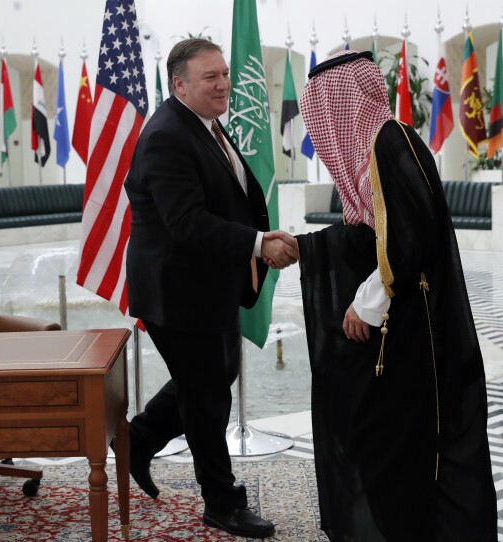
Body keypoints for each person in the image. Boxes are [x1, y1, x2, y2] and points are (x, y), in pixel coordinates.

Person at [296, 50, 497, 541]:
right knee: (382, 437)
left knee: (401, 441)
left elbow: (410, 234)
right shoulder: (375, 149)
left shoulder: (391, 140)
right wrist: (303, 248)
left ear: (341, 100)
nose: (321, 129)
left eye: (323, 108)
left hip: (411, 328)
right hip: (400, 324)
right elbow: (369, 234)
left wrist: (368, 300)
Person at [123, 38, 298, 539]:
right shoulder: (166, 135)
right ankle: (222, 502)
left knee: (214, 376)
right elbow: (187, 224)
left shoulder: (204, 124)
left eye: (224, 73)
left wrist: (256, 239)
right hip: (176, 291)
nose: (224, 83)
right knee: (207, 397)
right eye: (210, 77)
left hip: (208, 284)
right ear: (179, 84)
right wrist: (260, 243)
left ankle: (139, 439)